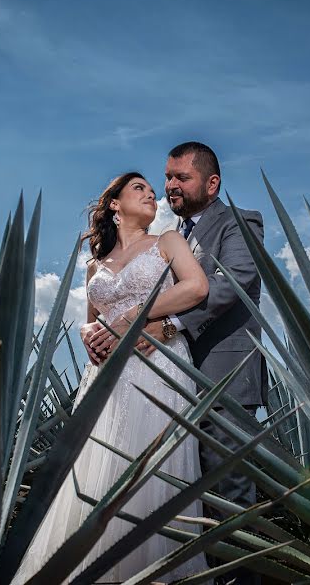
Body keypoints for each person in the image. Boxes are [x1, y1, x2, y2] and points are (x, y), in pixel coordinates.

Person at [13, 172, 210, 584]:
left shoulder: (167, 242)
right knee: (97, 470)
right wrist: (89, 335)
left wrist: (130, 318)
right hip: (105, 378)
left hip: (160, 367)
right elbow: (91, 322)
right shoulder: (93, 267)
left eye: (153, 192)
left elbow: (195, 288)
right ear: (115, 205)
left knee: (152, 470)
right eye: (139, 189)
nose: (152, 195)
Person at [96, 143, 267, 585]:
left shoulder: (238, 222)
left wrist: (170, 325)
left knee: (228, 496)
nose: (170, 185)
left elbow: (234, 283)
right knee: (182, 495)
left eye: (181, 178)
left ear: (211, 184)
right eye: (167, 177)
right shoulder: (166, 238)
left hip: (223, 380)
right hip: (168, 387)